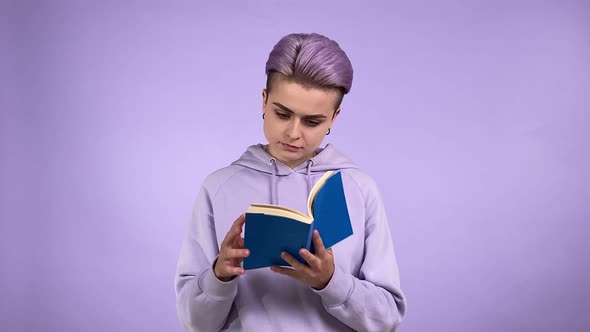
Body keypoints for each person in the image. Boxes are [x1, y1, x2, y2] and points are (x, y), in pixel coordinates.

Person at [175, 32, 406, 332]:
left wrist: (330, 282)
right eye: (282, 114)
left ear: (334, 118)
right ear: (264, 101)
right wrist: (219, 276)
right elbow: (194, 324)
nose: (293, 133)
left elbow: (387, 319)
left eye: (312, 122)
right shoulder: (218, 188)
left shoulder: (359, 189)